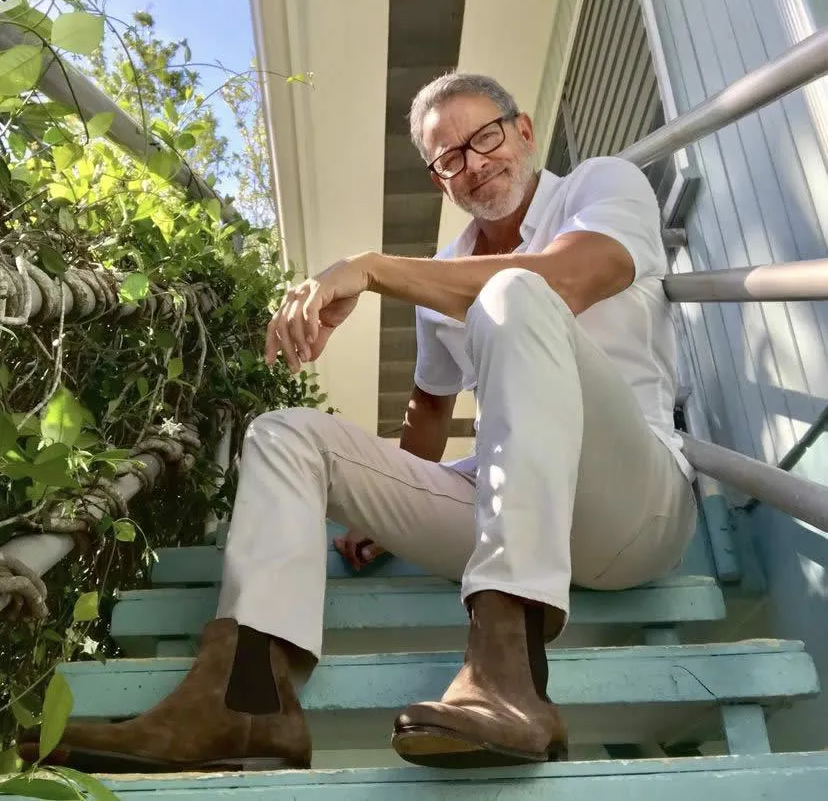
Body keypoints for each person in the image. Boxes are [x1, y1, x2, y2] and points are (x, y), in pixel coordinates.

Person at [20, 72, 697, 772]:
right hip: (510, 502)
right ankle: (244, 705)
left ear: (523, 131)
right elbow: (430, 405)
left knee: (516, 293)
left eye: (485, 136)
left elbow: (572, 277)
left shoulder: (599, 184)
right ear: (440, 179)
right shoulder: (446, 271)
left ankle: (508, 676)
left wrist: (370, 268)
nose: (475, 163)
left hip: (632, 509)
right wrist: (383, 510)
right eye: (449, 157)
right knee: (285, 433)